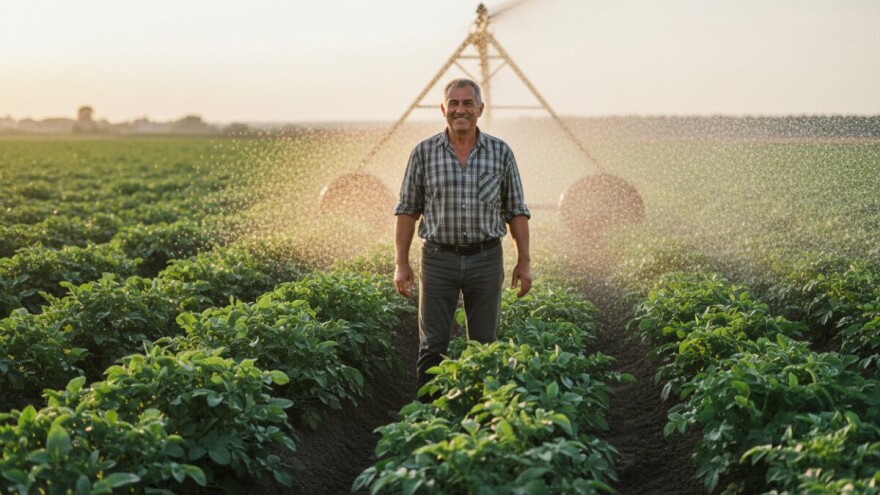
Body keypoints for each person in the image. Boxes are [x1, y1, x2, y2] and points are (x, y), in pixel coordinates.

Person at [393, 78, 532, 394]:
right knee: (432, 345)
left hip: (486, 259)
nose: (460, 110)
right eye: (453, 103)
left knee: (484, 346)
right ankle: (428, 419)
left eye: (468, 103)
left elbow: (516, 210)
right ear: (443, 109)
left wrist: (524, 261)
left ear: (480, 109)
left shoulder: (500, 152)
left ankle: (482, 414)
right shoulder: (424, 153)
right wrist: (401, 263)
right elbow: (407, 210)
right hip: (438, 259)